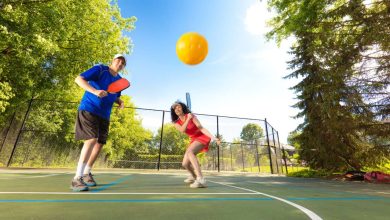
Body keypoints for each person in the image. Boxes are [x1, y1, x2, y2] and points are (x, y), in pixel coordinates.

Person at [71, 54, 127, 192]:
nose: (120, 63)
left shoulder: (120, 81)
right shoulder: (100, 69)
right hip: (89, 108)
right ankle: (77, 178)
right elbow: (79, 79)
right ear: (113, 61)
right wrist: (94, 91)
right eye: (118, 60)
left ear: (123, 67)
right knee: (91, 139)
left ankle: (87, 172)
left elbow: (114, 95)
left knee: (99, 143)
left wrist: (120, 102)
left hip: (104, 115)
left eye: (123, 63)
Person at [171, 101, 220, 188]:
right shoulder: (176, 123)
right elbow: (182, 130)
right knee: (185, 164)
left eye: (178, 107)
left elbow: (201, 128)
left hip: (202, 137)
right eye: (174, 108)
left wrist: (213, 137)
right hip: (193, 139)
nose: (177, 109)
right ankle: (194, 177)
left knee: (190, 152)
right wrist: (188, 119)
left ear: (182, 108)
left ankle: (201, 179)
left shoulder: (191, 116)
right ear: (173, 111)